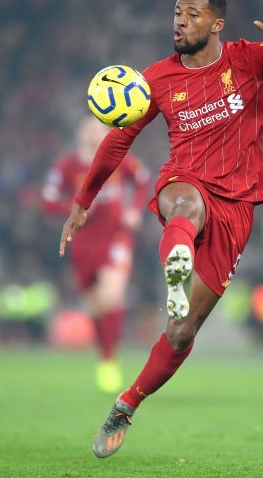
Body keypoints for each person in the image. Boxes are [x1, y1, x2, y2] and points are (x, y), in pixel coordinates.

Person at [59, 0, 263, 457]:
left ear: (216, 23)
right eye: (176, 14)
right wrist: (84, 200)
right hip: (184, 182)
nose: (179, 22)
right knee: (184, 208)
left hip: (238, 206)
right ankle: (176, 259)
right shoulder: (156, 79)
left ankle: (126, 404)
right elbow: (117, 143)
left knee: (182, 333)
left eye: (191, 15)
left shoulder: (251, 60)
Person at [42, 116, 149, 393]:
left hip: (116, 236)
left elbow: (142, 179)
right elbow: (48, 200)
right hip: (83, 243)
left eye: (100, 130)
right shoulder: (67, 166)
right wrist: (75, 207)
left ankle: (110, 359)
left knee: (112, 296)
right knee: (95, 307)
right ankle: (103, 355)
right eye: (90, 129)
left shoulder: (117, 159)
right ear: (80, 133)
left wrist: (135, 209)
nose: (95, 134)